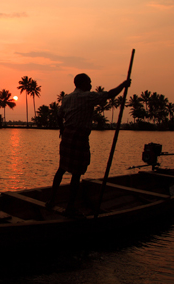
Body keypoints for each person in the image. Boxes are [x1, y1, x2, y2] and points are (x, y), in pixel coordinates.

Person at [46, 73, 130, 216]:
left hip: (67, 135)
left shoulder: (67, 98)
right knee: (76, 172)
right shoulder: (87, 96)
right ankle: (70, 206)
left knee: (62, 168)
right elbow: (109, 94)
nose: (91, 85)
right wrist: (123, 84)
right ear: (83, 83)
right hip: (79, 136)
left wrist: (62, 129)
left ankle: (52, 200)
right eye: (89, 82)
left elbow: (59, 116)